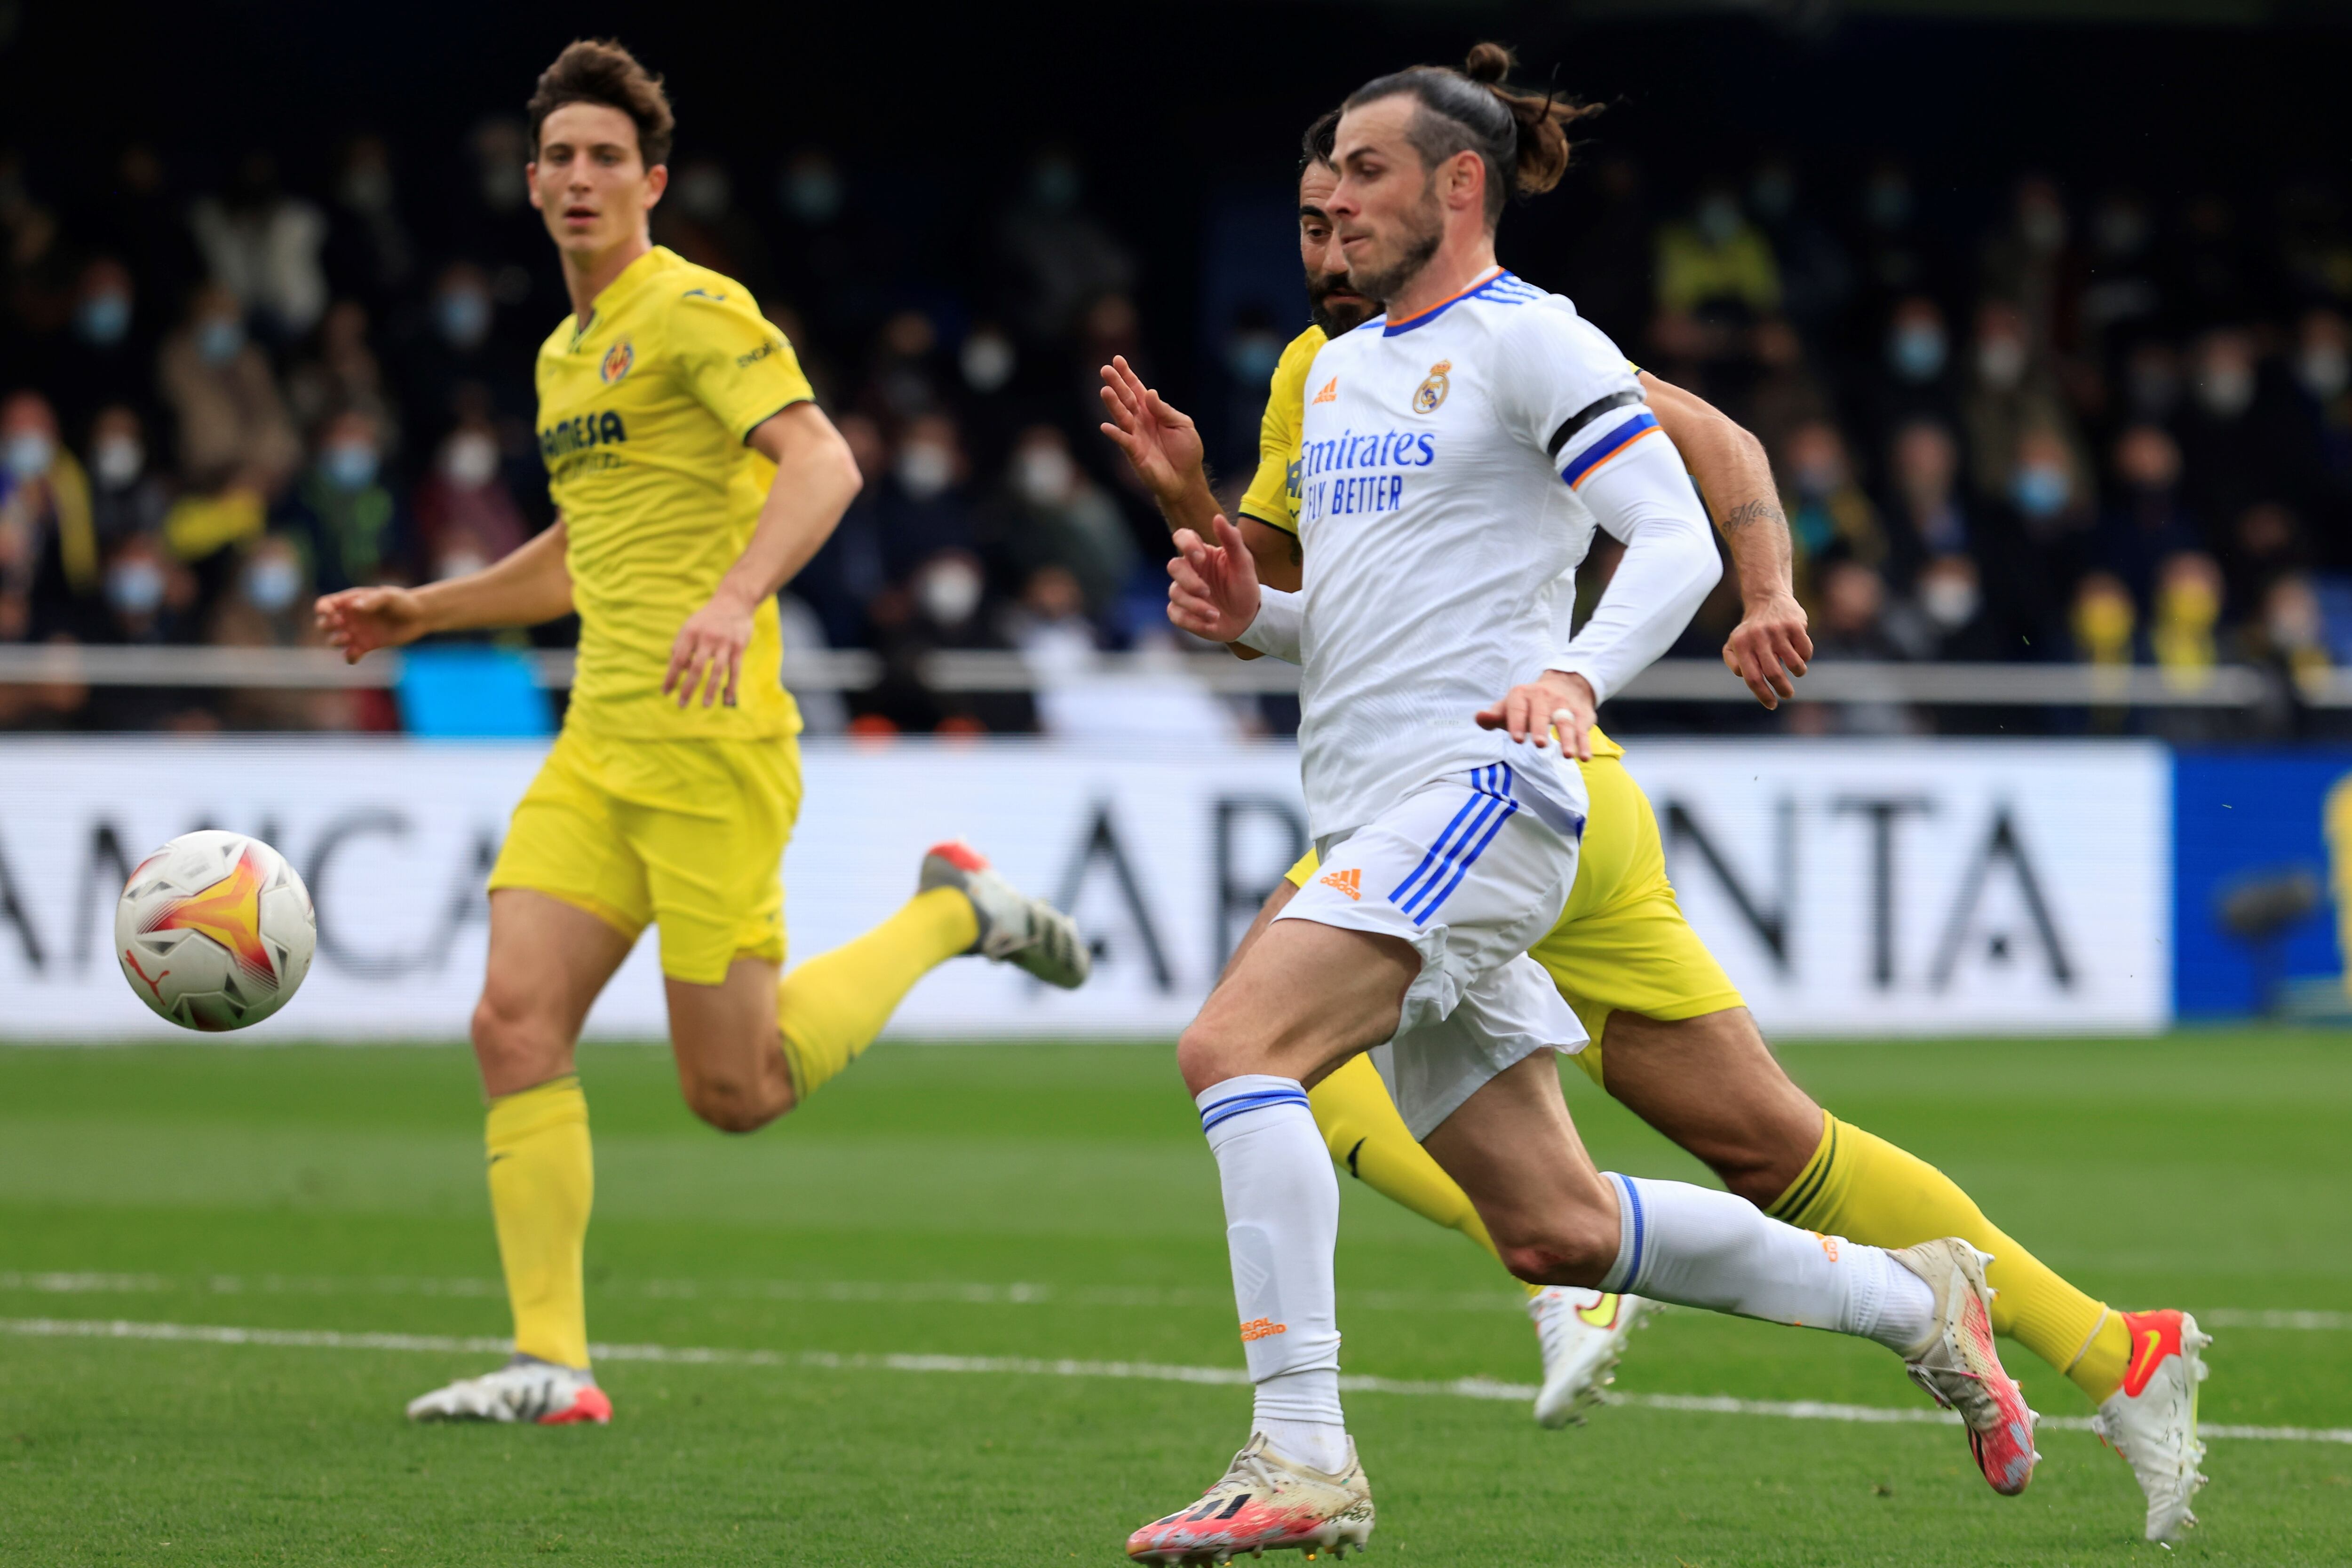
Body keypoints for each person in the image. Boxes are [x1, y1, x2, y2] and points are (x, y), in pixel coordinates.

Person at [1104, 95, 2209, 1551]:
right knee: (1578, 1212)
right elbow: (1350, 631)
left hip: (1488, 792)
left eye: (1362, 183)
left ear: (1458, 182)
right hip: (1390, 796)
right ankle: (1927, 1300)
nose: (1333, 218)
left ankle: (1302, 1451)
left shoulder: (1531, 336)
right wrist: (1254, 611)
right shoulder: (1332, 376)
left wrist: (1636, 643)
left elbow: (1685, 503)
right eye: (1317, 201)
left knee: (1238, 1047)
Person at [313, 39, 1089, 1429]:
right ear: (531, 183)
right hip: (601, 743)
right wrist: (420, 608)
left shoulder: (696, 308)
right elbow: (577, 552)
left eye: (607, 156)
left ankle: (951, 913)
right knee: (512, 1022)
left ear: (651, 181)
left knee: (736, 1092)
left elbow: (825, 461)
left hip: (714, 747)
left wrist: (738, 597)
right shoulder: (562, 357)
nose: (579, 178)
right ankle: (552, 1364)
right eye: (557, 157)